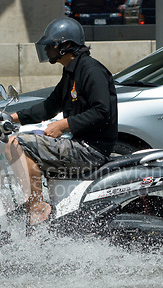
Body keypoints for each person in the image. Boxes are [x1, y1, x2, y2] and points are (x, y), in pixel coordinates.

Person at [6, 17, 118, 226]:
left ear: (65, 45)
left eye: (50, 45)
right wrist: (12, 117)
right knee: (18, 143)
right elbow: (49, 106)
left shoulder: (91, 70)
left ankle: (37, 206)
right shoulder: (71, 73)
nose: (47, 50)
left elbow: (102, 112)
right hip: (79, 144)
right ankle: (47, 210)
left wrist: (64, 124)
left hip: (90, 149)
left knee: (18, 144)